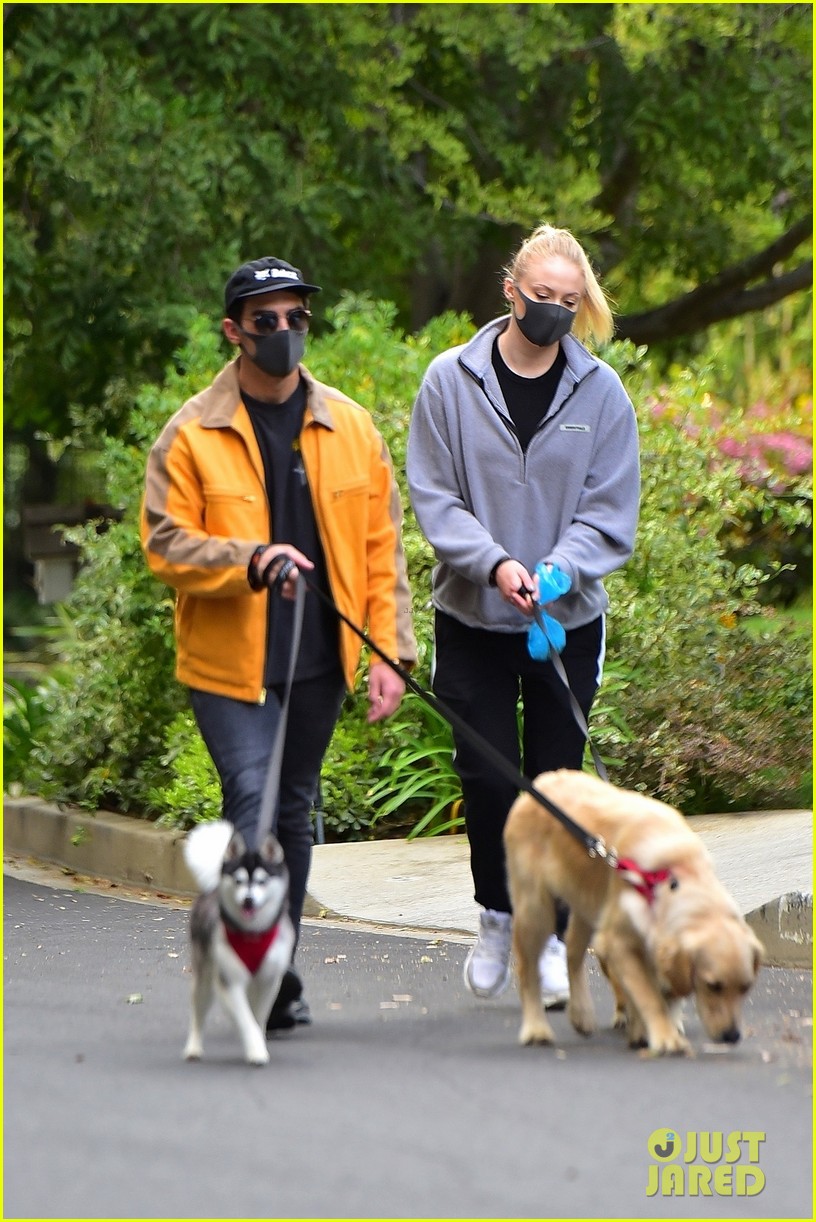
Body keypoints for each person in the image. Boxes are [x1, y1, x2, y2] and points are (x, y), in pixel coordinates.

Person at [142, 255, 416, 1028]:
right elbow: (164, 542)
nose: (285, 332)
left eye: (297, 318)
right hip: (229, 665)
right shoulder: (192, 432)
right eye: (267, 321)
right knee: (253, 803)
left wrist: (391, 654)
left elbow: (379, 548)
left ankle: (275, 965)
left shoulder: (350, 425)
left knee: (292, 813)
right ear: (234, 332)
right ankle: (253, 962)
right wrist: (247, 559)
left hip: (319, 656)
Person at [406, 224, 639, 1006]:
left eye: (569, 303)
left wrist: (558, 567)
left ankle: (552, 934)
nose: (554, 312)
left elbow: (610, 510)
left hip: (564, 622)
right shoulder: (450, 382)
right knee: (488, 775)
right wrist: (494, 563)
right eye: (542, 297)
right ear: (510, 291)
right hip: (471, 616)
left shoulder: (602, 394)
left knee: (556, 785)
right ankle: (497, 915)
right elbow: (435, 498)